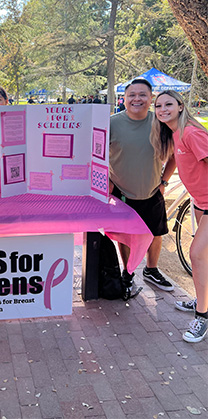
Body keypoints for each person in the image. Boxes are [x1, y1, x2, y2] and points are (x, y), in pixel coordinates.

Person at [109, 79, 177, 299]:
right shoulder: (110, 123)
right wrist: (106, 182)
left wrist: (164, 182)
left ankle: (151, 269)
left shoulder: (160, 122)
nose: (136, 99)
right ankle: (127, 274)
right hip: (121, 192)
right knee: (125, 236)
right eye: (132, 95)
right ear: (125, 98)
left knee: (156, 233)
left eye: (142, 95)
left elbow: (176, 154)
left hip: (152, 190)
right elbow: (95, 155)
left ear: (151, 99)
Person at [151, 90, 208, 343]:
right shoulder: (175, 133)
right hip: (199, 201)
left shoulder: (192, 133)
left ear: (181, 106)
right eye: (159, 106)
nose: (163, 109)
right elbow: (175, 158)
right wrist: (164, 180)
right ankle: (203, 299)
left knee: (196, 254)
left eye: (168, 104)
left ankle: (202, 317)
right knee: (203, 257)